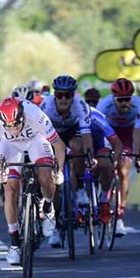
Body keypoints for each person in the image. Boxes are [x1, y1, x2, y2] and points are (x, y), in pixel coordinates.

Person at [0, 97, 66, 265]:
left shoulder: (36, 115)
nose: (14, 128)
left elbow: (59, 146)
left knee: (45, 176)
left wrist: (58, 171)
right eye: (9, 126)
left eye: (17, 123)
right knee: (10, 189)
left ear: (23, 116)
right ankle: (15, 243)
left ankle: (48, 207)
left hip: (35, 141)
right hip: (10, 146)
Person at [40, 74, 94, 247]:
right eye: (60, 95)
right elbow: (38, 135)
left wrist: (89, 157)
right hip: (51, 133)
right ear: (54, 95)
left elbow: (86, 135)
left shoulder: (80, 106)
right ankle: (54, 225)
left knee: (78, 149)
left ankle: (78, 188)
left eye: (68, 95)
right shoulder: (46, 106)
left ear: (74, 95)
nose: (63, 99)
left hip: (71, 131)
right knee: (53, 182)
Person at [97, 77, 140, 236]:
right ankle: (104, 196)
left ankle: (119, 217)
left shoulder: (139, 105)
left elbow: (138, 134)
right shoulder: (104, 105)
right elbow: (98, 131)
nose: (125, 103)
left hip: (127, 134)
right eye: (121, 100)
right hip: (108, 133)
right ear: (113, 98)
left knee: (124, 170)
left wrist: (138, 154)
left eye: (128, 99)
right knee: (105, 164)